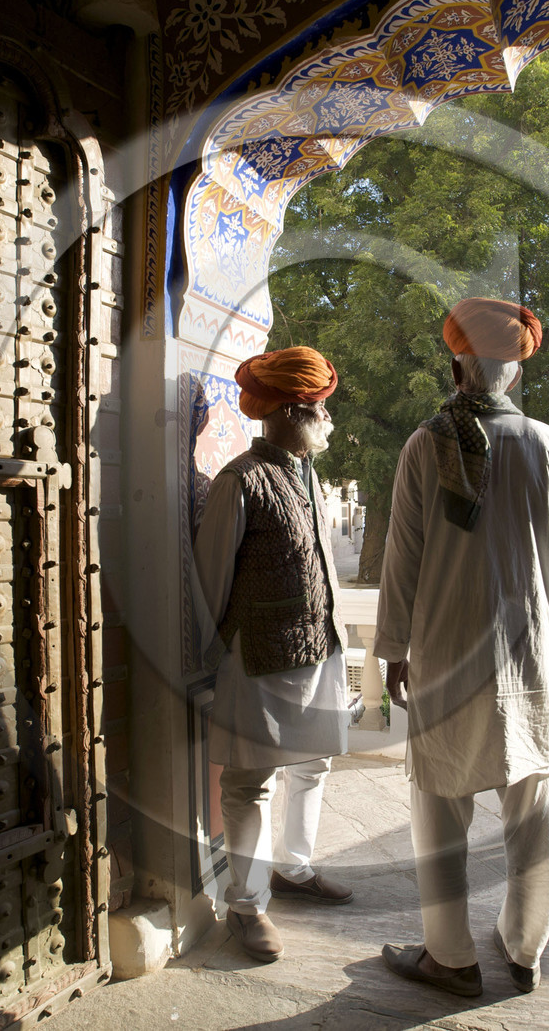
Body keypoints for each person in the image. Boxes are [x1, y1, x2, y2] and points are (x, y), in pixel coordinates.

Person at [373, 297, 549, 996]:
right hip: (528, 657)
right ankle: (524, 949)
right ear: (513, 374)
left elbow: (402, 558)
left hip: (444, 648)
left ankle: (451, 955)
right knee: (531, 809)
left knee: (439, 805)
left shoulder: (424, 442)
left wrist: (394, 647)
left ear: (458, 364)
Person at [192, 345, 354, 964]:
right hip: (256, 661)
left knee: (314, 765)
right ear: (293, 410)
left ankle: (296, 868)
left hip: (320, 650)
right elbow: (210, 584)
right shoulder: (241, 479)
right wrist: (212, 668)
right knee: (249, 783)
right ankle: (247, 905)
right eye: (322, 409)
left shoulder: (307, 473)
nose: (330, 420)